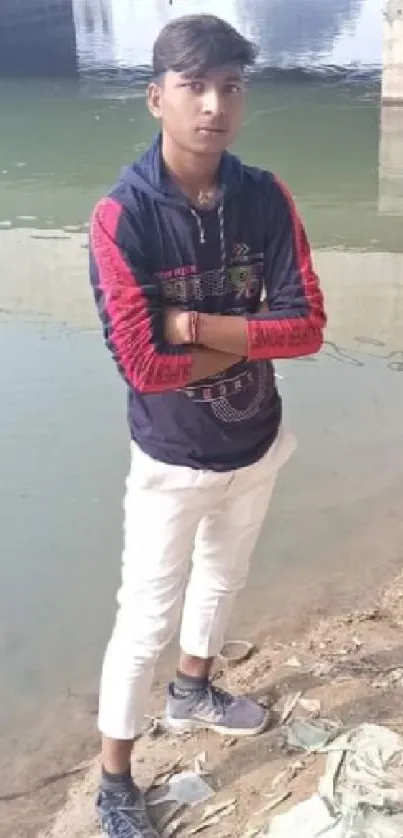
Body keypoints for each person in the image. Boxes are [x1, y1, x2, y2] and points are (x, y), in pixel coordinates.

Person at [89, 13, 326, 838]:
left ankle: (194, 688)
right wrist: (249, 333)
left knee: (223, 580)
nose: (213, 105)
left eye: (230, 86)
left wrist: (189, 325)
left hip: (256, 439)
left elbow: (308, 327)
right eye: (193, 86)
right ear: (157, 97)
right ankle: (115, 777)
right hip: (171, 458)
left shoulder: (265, 198)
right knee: (144, 615)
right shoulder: (123, 218)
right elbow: (141, 370)